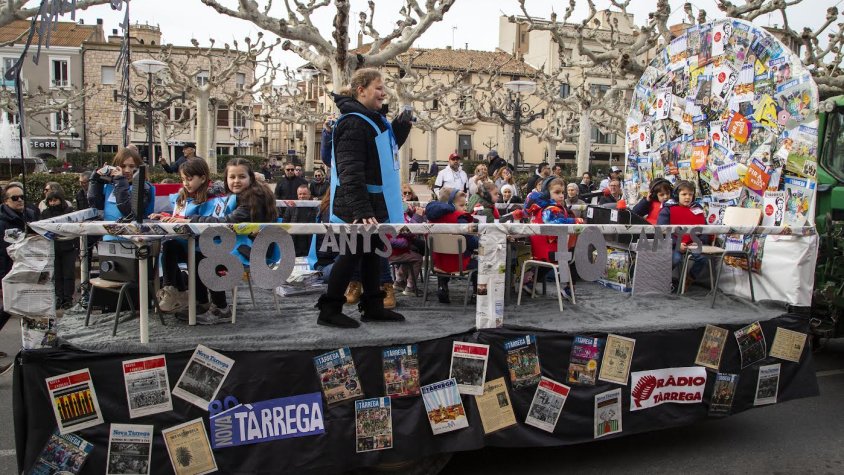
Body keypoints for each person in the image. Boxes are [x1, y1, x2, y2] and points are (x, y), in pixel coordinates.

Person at [316, 68, 413, 328]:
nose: (384, 93)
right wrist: (360, 208)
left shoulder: (370, 120)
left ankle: (373, 306)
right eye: (379, 87)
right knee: (349, 256)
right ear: (361, 90)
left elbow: (384, 152)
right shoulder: (352, 122)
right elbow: (349, 170)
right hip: (358, 207)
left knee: (372, 253)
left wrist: (402, 126)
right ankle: (329, 310)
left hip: (372, 205)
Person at [167, 157, 278, 324]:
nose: (236, 181)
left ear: (251, 178)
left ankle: (221, 308)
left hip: (253, 251)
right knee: (195, 253)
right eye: (232, 177)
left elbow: (226, 222)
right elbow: (214, 190)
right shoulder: (235, 195)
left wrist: (191, 220)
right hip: (238, 245)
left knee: (207, 256)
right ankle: (202, 302)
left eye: (241, 177)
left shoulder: (253, 198)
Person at [152, 158, 230, 315]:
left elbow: (212, 224)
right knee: (169, 246)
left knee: (200, 258)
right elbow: (178, 217)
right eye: (182, 179)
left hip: (210, 248)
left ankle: (213, 304)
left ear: (202, 178)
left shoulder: (216, 198)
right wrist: (165, 216)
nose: (186, 183)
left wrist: (182, 220)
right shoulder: (182, 196)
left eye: (189, 179)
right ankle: (171, 289)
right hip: (188, 245)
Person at [521, 177, 582, 299]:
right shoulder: (550, 209)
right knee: (575, 255)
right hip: (551, 251)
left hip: (541, 252)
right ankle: (568, 288)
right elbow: (557, 222)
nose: (561, 196)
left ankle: (529, 280)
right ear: (547, 193)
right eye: (557, 192)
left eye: (562, 193)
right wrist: (575, 220)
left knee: (549, 261)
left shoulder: (537, 208)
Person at [0, 183, 34, 374]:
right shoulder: (3, 222)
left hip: (27, 270)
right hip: (9, 272)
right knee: (6, 309)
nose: (20, 200)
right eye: (15, 198)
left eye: (22, 196)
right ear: (6, 201)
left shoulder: (29, 215)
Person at [425, 188, 478, 303]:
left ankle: (442, 287)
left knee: (444, 259)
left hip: (438, 263)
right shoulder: (460, 220)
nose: (465, 208)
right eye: (462, 205)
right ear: (451, 205)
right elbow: (473, 243)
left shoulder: (432, 220)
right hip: (459, 263)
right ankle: (476, 294)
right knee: (479, 263)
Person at [657, 180, 709, 291]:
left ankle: (687, 280)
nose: (687, 197)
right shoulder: (667, 209)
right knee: (676, 258)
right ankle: (660, 279)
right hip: (673, 244)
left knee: (703, 259)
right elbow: (662, 231)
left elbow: (705, 229)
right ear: (676, 195)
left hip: (693, 245)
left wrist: (700, 242)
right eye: (684, 194)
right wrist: (677, 244)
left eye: (690, 194)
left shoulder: (697, 208)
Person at [88, 147, 154, 225]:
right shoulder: (110, 185)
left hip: (134, 235)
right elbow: (95, 205)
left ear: (139, 168)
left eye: (132, 166)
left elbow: (129, 213)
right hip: (109, 234)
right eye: (123, 166)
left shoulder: (145, 187)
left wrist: (120, 181)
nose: (127, 170)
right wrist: (96, 181)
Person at [40, 191, 78, 309]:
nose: (53, 203)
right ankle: (59, 297)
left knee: (68, 274)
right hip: (53, 248)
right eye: (50, 201)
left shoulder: (69, 212)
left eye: (55, 200)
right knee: (56, 275)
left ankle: (68, 298)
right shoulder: (45, 213)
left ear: (61, 200)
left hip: (68, 247)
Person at [390, 184, 425, 296]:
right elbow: (409, 231)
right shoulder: (396, 214)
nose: (404, 199)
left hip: (396, 247)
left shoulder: (399, 212)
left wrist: (411, 213)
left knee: (417, 250)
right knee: (418, 258)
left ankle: (400, 279)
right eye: (401, 197)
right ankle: (410, 286)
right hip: (393, 249)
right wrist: (417, 216)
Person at [284, 184, 318, 256]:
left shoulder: (316, 208)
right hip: (294, 242)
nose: (302, 196)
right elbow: (285, 223)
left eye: (304, 194)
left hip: (310, 242)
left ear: (309, 195)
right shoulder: (290, 207)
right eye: (300, 194)